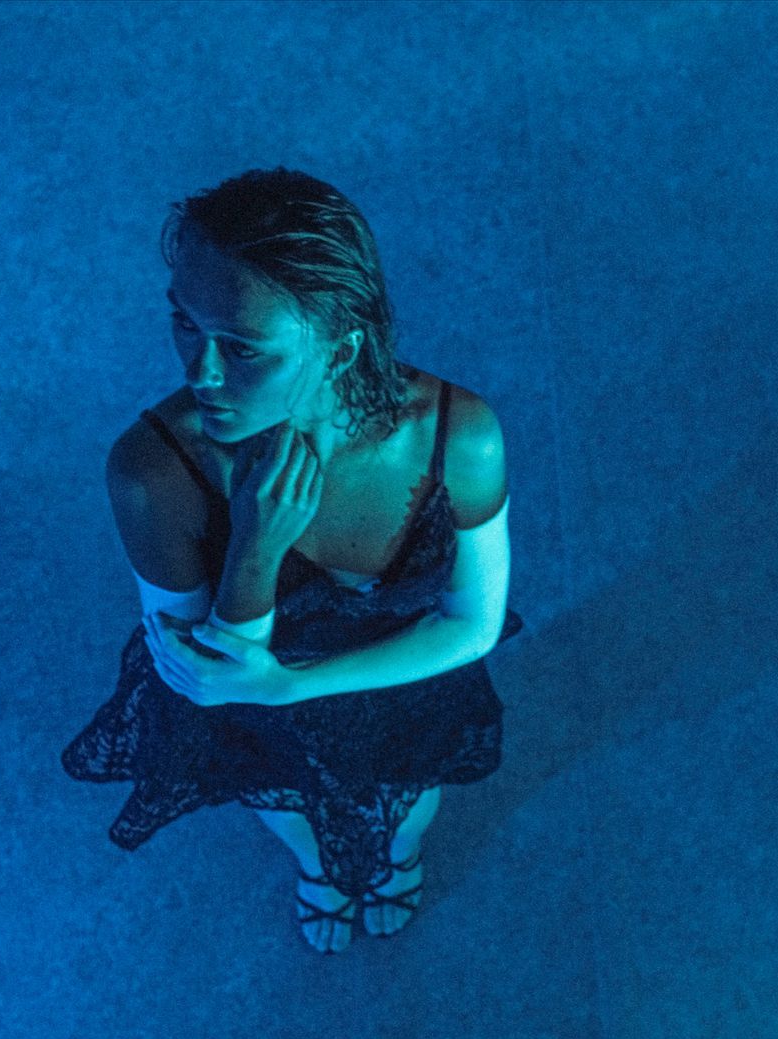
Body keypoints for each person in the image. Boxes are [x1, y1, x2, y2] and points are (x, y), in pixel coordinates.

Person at [61, 167, 523, 954]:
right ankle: (319, 872)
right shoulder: (153, 470)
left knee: (407, 806)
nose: (199, 371)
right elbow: (205, 677)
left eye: (241, 347)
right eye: (184, 324)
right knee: (286, 808)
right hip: (251, 711)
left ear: (342, 346)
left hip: (398, 676)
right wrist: (255, 547)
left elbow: (473, 623)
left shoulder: (458, 434)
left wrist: (294, 682)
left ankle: (396, 863)